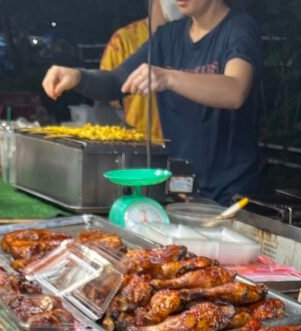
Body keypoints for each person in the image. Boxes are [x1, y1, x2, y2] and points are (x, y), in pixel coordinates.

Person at [42, 0, 262, 204]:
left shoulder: (238, 28)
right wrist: (78, 77)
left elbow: (236, 90)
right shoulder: (168, 37)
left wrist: (168, 77)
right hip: (183, 188)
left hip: (232, 193)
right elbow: (118, 81)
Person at [99, 0, 178, 140]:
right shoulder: (123, 41)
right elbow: (109, 98)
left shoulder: (194, 38)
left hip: (187, 145)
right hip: (140, 144)